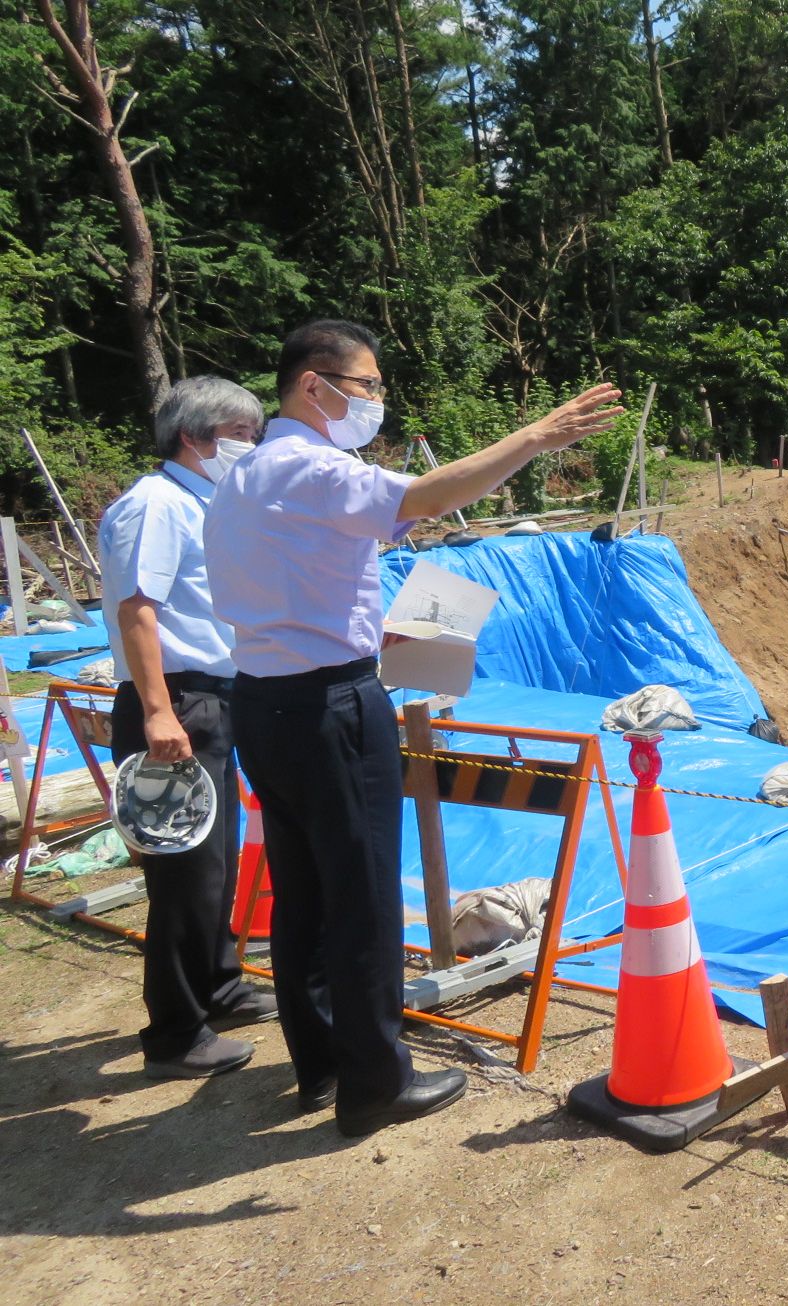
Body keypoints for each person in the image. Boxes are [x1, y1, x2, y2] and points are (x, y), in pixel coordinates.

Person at [205, 320, 622, 1137]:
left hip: (263, 699)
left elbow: (381, 529)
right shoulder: (311, 466)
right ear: (313, 385)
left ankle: (323, 1060)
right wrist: (537, 435)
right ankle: (375, 1082)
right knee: (360, 897)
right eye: (366, 387)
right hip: (329, 701)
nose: (375, 402)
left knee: (305, 895)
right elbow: (424, 498)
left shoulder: (248, 473)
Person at [99, 375, 277, 1079]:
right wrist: (157, 711)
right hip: (177, 702)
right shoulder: (155, 505)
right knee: (183, 873)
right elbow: (138, 611)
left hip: (213, 698)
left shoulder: (204, 503)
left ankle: (219, 981)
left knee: (218, 860)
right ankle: (175, 1032)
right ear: (191, 437)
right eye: (239, 435)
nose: (250, 446)